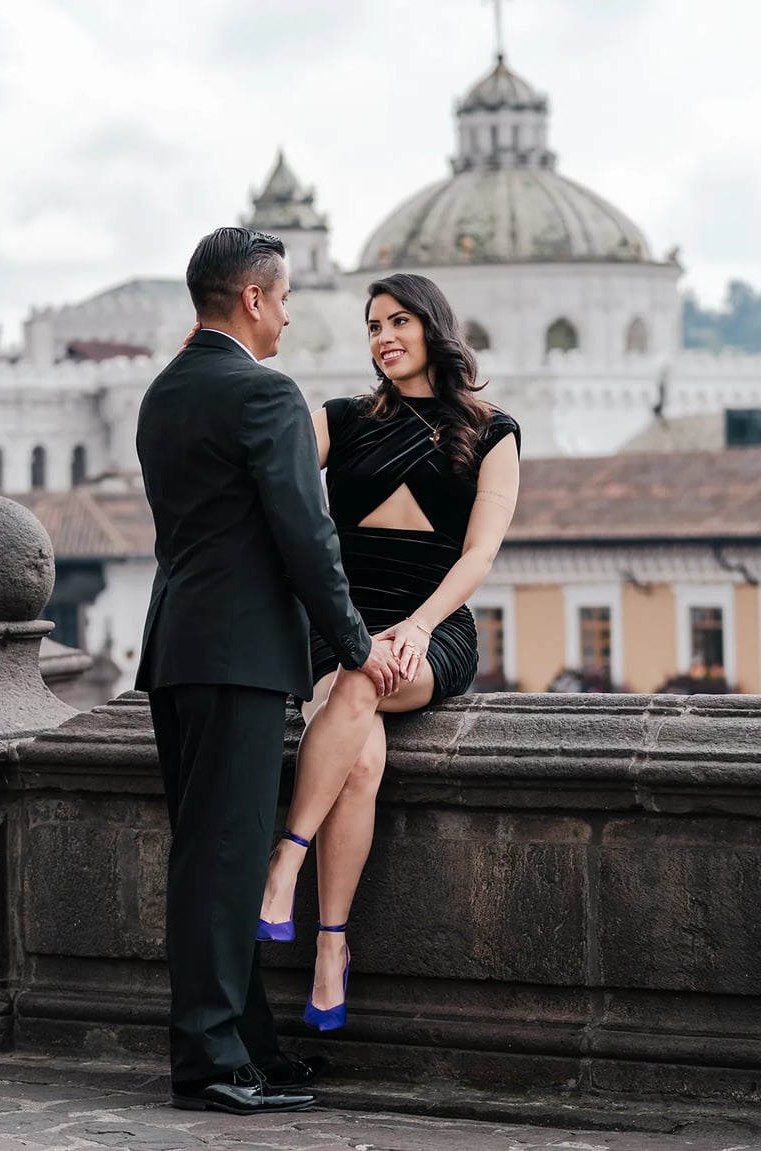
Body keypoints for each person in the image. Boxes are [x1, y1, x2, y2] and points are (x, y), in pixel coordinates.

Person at [135, 227, 401, 1116]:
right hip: (238, 654)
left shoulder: (165, 391)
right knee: (223, 859)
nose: (288, 316)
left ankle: (248, 1048)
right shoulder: (266, 394)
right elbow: (305, 535)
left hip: (179, 647)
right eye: (283, 299)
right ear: (252, 298)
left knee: (212, 853)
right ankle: (211, 1061)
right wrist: (357, 644)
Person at [258, 272, 521, 1031]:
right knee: (362, 758)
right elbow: (270, 482)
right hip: (342, 624)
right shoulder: (340, 418)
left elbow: (479, 554)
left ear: (433, 327)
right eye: (374, 326)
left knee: (360, 682)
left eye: (399, 321)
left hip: (433, 628)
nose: (385, 337)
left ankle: (286, 862)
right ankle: (330, 948)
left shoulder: (494, 431)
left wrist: (419, 625)